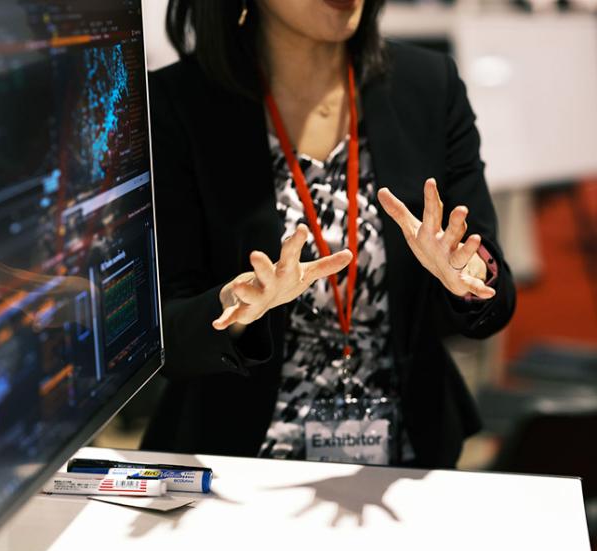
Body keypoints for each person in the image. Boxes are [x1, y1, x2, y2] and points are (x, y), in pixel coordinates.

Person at [141, 0, 516, 468]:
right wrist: (234, 310)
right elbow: (161, 334)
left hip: (409, 456)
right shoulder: (176, 102)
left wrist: (468, 274)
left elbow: (493, 289)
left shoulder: (428, 83)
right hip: (237, 461)